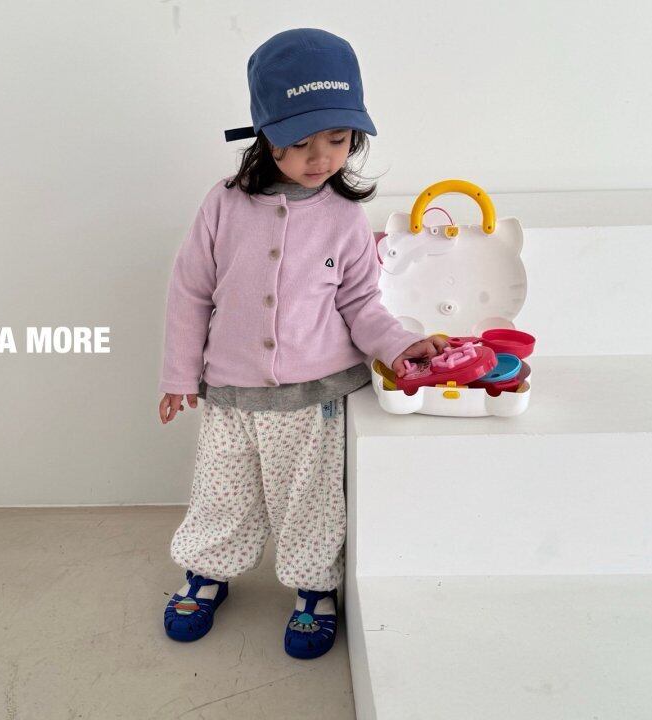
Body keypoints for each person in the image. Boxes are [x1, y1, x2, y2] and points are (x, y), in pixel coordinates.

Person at [158, 28, 448, 660]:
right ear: (266, 135)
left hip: (313, 399)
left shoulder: (343, 217)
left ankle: (314, 588)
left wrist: (399, 346)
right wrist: (179, 375)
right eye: (301, 142)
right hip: (230, 392)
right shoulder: (223, 205)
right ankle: (206, 571)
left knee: (309, 501)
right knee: (221, 492)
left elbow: (361, 303)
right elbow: (190, 292)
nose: (321, 157)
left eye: (338, 139)